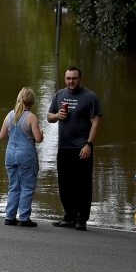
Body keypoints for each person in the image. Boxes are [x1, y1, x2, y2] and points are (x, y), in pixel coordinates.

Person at [46, 66, 102, 231]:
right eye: (68, 78)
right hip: (64, 147)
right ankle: (69, 217)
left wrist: (89, 144)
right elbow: (49, 117)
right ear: (65, 79)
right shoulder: (60, 95)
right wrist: (57, 116)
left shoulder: (90, 97)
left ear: (80, 79)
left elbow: (96, 122)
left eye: (74, 78)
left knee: (83, 185)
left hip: (82, 147)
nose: (71, 81)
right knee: (65, 184)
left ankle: (82, 219)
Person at [0, 87, 43, 227]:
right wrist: (40, 132)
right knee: (27, 187)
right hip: (26, 156)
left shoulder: (10, 115)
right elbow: (38, 138)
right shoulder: (31, 117)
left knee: (14, 186)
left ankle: (10, 216)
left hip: (10, 155)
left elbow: (2, 136)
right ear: (31, 102)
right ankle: (24, 217)